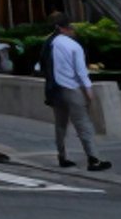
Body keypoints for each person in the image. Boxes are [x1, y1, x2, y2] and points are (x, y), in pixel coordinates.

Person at [44, 11, 111, 173]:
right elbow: (81, 72)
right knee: (83, 124)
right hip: (71, 88)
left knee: (60, 124)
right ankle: (93, 159)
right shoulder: (74, 46)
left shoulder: (48, 43)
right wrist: (88, 90)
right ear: (65, 28)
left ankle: (62, 156)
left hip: (54, 89)